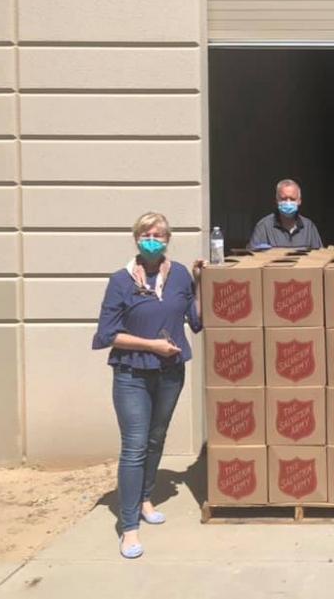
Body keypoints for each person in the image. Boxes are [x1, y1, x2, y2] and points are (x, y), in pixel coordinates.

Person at [92, 212, 205, 559]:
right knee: (135, 446)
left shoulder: (180, 275)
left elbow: (196, 321)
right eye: (146, 234)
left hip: (170, 373)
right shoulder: (121, 280)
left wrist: (200, 282)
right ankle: (129, 528)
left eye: (159, 234)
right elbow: (107, 335)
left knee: (157, 438)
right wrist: (151, 344)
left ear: (169, 239)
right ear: (136, 238)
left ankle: (144, 497)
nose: (153, 238)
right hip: (132, 374)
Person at [247, 178, 323, 249]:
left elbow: (319, 257)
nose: (288, 202)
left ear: (299, 201)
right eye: (283, 199)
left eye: (292, 199)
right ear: (276, 201)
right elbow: (251, 258)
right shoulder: (264, 227)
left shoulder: (309, 227)